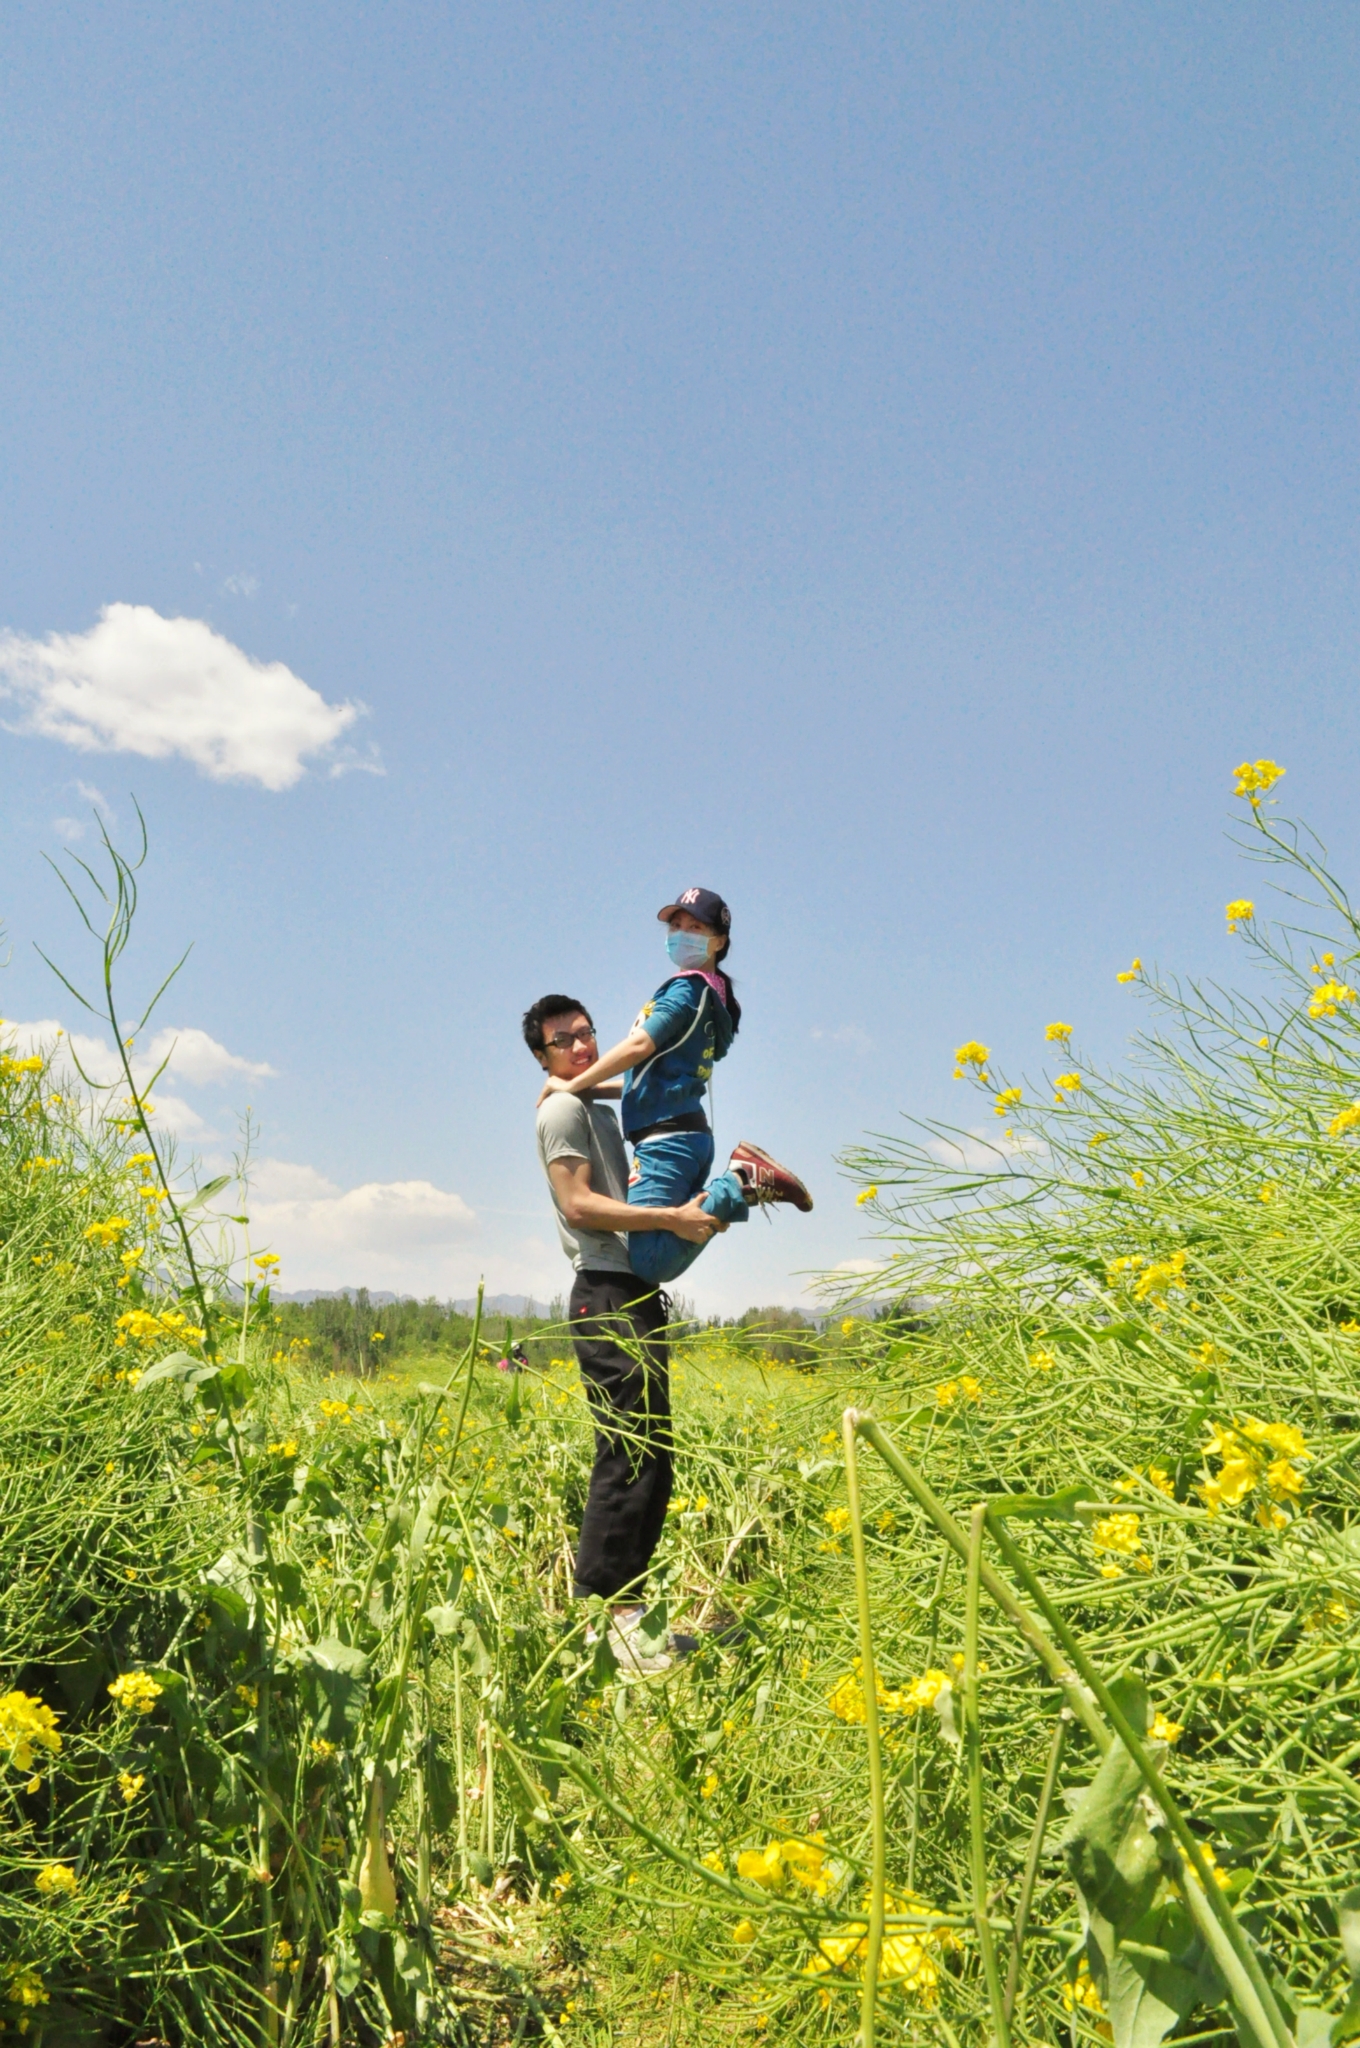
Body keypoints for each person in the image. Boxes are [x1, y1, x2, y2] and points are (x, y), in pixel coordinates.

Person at [525, 992, 725, 1675]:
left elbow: (627, 1073)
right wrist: (669, 1219)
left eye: (586, 1033)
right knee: (627, 1456)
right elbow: (578, 1204)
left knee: (653, 1456)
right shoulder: (561, 1113)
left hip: (633, 1291)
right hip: (605, 1292)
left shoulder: (586, 1104)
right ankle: (601, 1625)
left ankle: (629, 1620)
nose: (582, 1046)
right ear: (541, 1056)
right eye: (564, 1041)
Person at [535, 887, 812, 1287]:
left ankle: (741, 1182)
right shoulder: (711, 997)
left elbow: (640, 1046)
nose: (681, 932)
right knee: (684, 1231)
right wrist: (585, 1090)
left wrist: (570, 1085)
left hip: (667, 1140)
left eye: (694, 926)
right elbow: (647, 1078)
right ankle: (732, 1189)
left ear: (718, 941)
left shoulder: (687, 989)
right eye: (676, 925)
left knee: (650, 1263)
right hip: (685, 1133)